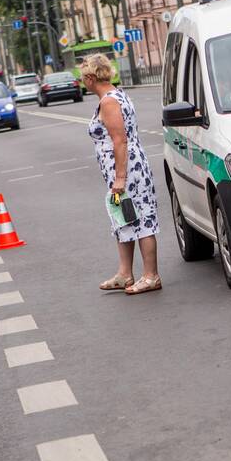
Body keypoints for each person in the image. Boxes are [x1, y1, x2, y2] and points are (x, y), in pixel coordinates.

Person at [82, 54, 162, 294]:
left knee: (142, 220)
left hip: (128, 171)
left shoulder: (109, 101)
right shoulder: (116, 94)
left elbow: (120, 141)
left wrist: (120, 178)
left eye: (83, 77)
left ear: (90, 78)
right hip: (125, 169)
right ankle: (125, 274)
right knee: (123, 218)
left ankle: (151, 276)